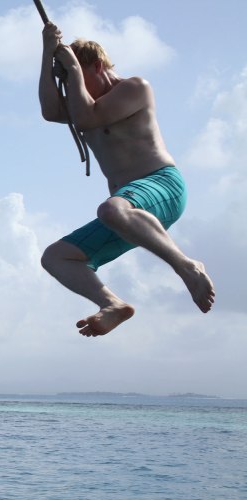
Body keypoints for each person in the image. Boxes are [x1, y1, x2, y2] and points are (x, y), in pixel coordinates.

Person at [37, 22, 215, 337]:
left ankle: (187, 266)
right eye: (64, 77)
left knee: (111, 210)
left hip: (161, 186)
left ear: (97, 66)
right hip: (127, 210)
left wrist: (73, 69)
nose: (69, 83)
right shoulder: (81, 101)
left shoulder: (135, 88)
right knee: (56, 257)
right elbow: (51, 111)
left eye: (75, 74)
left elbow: (89, 117)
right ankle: (113, 304)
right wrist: (48, 52)